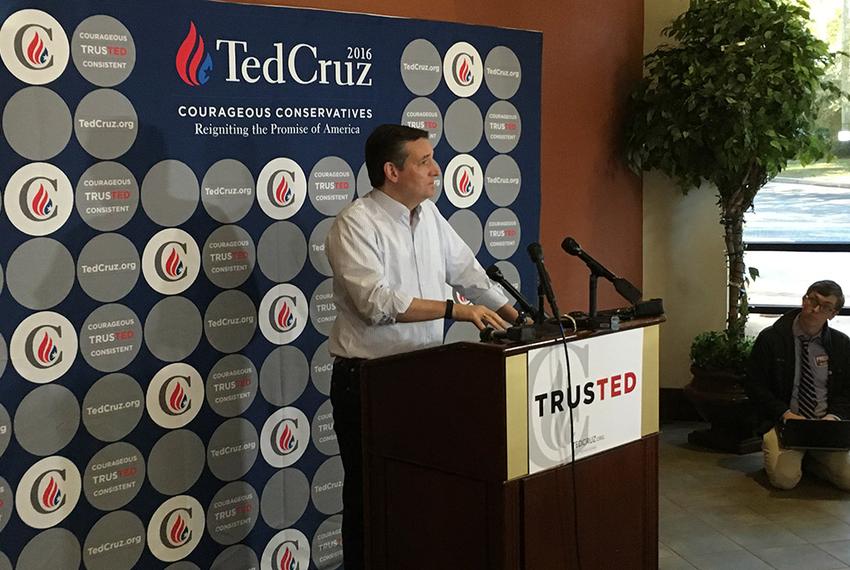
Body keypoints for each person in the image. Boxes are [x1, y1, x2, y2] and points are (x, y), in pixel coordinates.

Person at [325, 124, 520, 569]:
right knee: (370, 499)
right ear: (391, 171)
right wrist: (453, 310)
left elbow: (471, 275)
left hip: (426, 376)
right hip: (370, 383)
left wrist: (523, 320)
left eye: (434, 159)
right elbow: (374, 303)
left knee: (421, 494)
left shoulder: (429, 216)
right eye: (424, 161)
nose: (437, 169)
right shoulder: (355, 223)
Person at [744, 280, 850, 490]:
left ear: (833, 313)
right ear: (804, 300)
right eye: (813, 300)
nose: (816, 309)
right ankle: (798, 460)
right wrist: (784, 413)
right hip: (784, 422)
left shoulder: (841, 345)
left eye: (826, 307)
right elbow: (755, 385)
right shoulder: (772, 338)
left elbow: (847, 391)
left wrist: (833, 416)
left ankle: (811, 461)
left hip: (825, 425)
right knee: (785, 480)